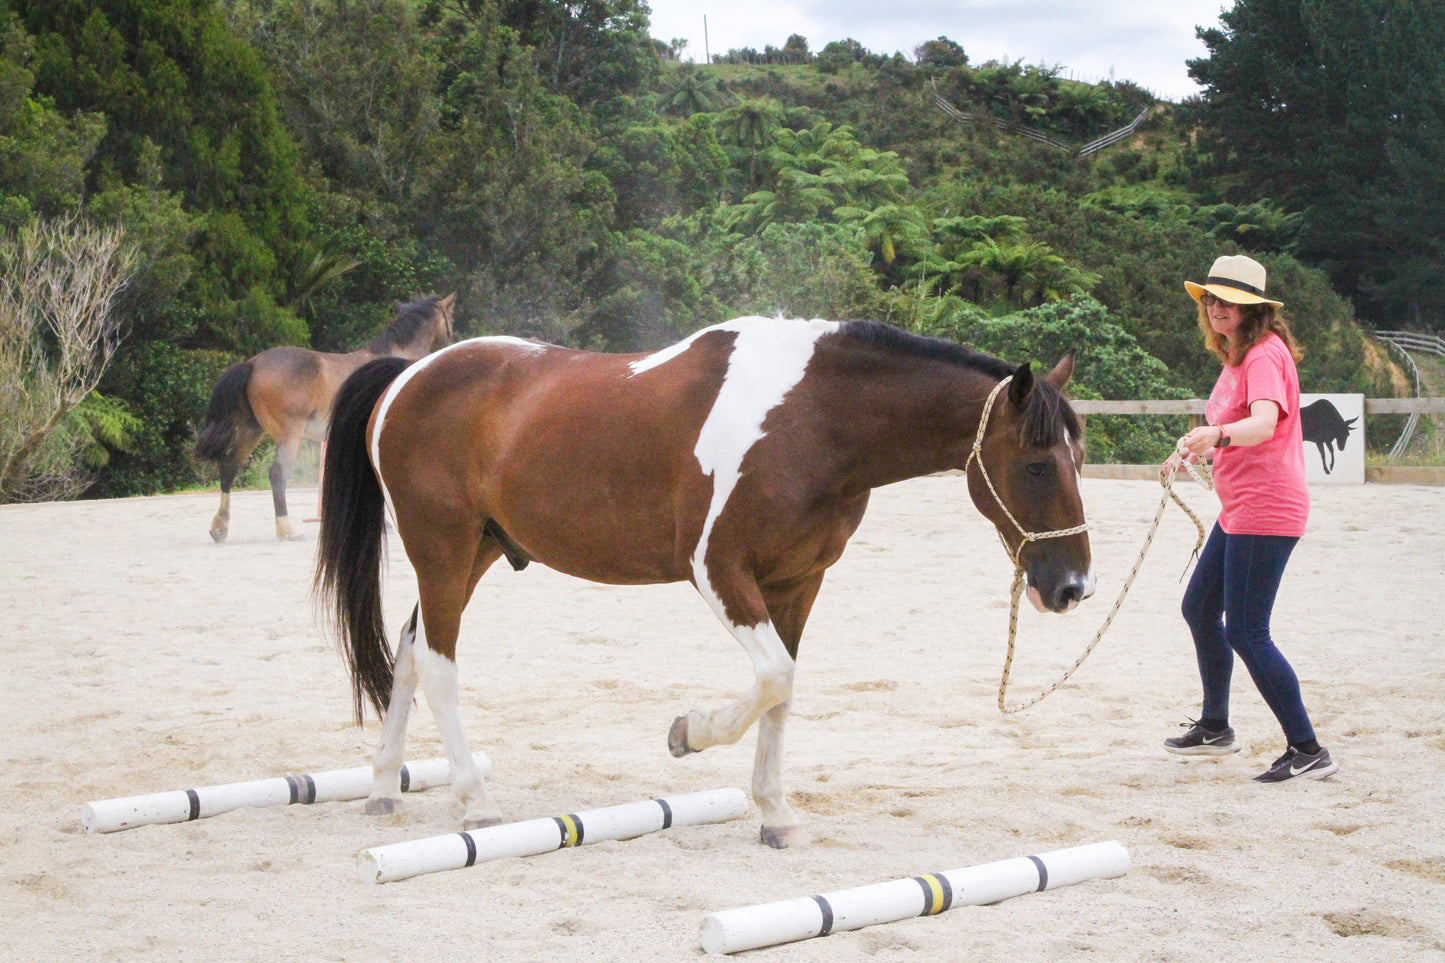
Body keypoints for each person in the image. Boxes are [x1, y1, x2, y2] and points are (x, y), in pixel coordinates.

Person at [1163, 254, 1338, 783]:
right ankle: (1216, 727)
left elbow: (1263, 425)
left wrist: (1217, 435)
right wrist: (1203, 450)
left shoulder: (1264, 354)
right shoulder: (1238, 356)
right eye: (1211, 299)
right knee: (1199, 608)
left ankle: (1307, 749)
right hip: (1241, 506)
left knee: (1246, 630)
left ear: (1253, 308)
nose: (1216, 308)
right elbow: (1245, 434)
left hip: (1267, 508)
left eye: (1228, 300)